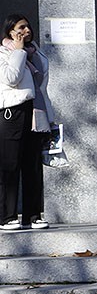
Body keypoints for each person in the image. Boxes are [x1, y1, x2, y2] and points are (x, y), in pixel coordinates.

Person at [0, 14, 54, 230]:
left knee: (32, 165)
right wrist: (19, 51)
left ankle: (33, 215)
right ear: (10, 32)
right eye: (21, 28)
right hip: (13, 111)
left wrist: (49, 116)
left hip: (35, 111)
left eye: (28, 27)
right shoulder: (4, 53)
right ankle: (7, 216)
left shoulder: (35, 53)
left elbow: (42, 85)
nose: (26, 31)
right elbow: (11, 78)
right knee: (10, 165)